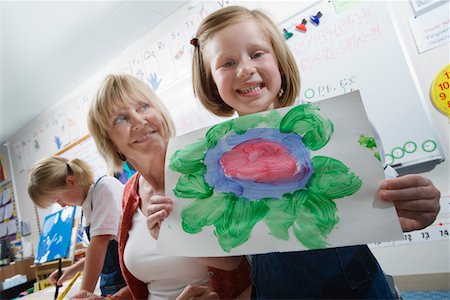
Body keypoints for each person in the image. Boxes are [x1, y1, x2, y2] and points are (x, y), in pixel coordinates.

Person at [178, 5, 440, 299]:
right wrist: (172, 227)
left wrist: (417, 208)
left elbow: (392, 208)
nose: (244, 69)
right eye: (226, 63)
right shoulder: (212, 160)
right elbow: (231, 258)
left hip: (359, 290)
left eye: (257, 53)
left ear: (279, 62)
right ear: (211, 83)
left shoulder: (340, 128)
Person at [73, 74, 250, 300]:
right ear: (110, 143)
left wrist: (178, 239)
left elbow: (242, 261)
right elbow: (150, 284)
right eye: (120, 119)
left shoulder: (209, 168)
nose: (138, 121)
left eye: (144, 106)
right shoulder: (129, 192)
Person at [27, 157, 126, 296]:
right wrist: (71, 270)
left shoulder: (104, 188)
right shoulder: (87, 206)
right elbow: (104, 254)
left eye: (58, 199)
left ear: (71, 181)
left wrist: (83, 294)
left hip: (126, 283)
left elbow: (99, 245)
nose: (61, 205)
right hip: (112, 285)